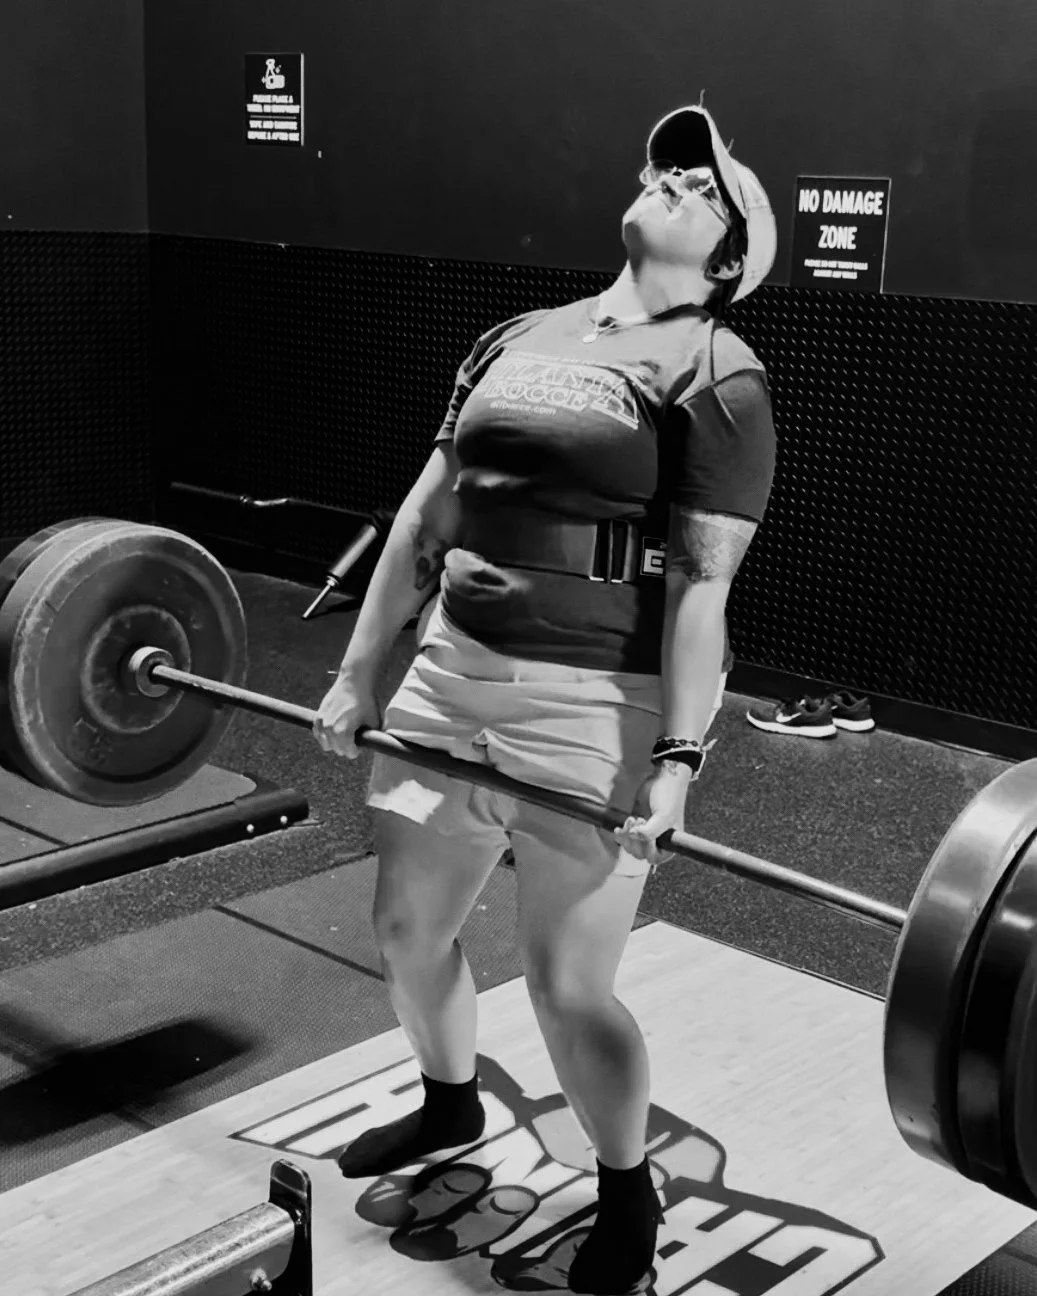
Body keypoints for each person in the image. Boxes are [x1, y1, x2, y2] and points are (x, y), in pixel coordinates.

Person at [313, 99, 778, 1295]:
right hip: (450, 672)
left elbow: (701, 592)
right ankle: (449, 1102)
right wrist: (360, 668)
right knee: (405, 931)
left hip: (595, 703)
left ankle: (625, 1188)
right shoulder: (515, 336)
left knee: (569, 986)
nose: (670, 179)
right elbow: (426, 513)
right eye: (665, 166)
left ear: (728, 258)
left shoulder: (715, 373)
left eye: (703, 187)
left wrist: (677, 760)